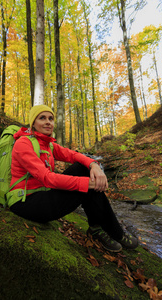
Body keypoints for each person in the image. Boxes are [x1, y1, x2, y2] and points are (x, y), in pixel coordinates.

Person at [9, 105, 138, 252]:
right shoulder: (23, 144)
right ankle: (113, 231)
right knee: (84, 183)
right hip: (25, 202)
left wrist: (93, 165)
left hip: (42, 194)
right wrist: (86, 184)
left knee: (83, 168)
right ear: (33, 123)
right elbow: (47, 178)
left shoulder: (48, 144)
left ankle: (98, 228)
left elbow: (73, 155)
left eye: (50, 118)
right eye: (42, 118)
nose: (48, 122)